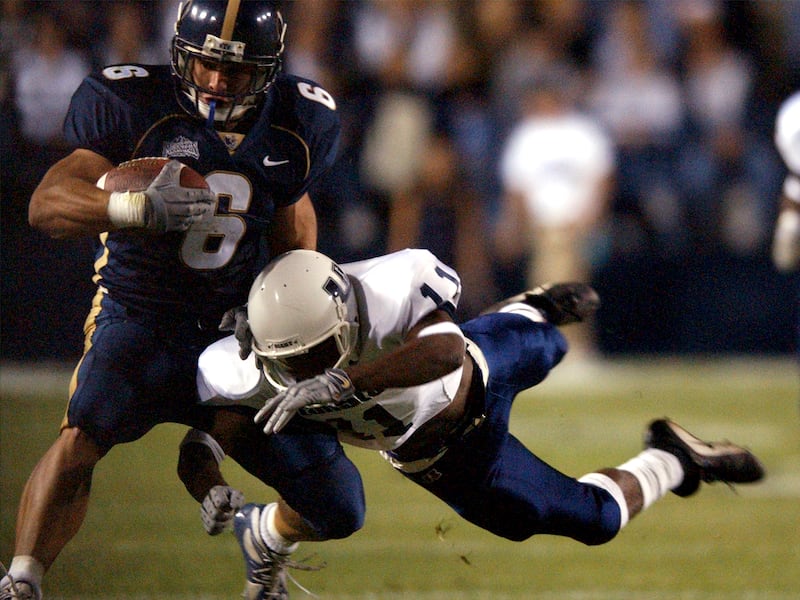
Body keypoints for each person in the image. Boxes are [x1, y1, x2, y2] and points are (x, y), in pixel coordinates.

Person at [180, 248, 765, 599]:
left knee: (552, 339)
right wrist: (209, 489)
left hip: (474, 371)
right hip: (444, 459)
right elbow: (201, 443)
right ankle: (673, 457)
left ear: (342, 312)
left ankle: (530, 307)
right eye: (293, 357)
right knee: (595, 520)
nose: (307, 367)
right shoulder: (244, 365)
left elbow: (443, 353)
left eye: (318, 349)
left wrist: (348, 381)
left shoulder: (385, 286)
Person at [0, 2, 341, 598]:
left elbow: (294, 222)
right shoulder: (132, 103)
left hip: (233, 328)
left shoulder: (296, 118)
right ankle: (22, 581)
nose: (215, 82)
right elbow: (47, 203)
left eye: (235, 71)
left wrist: (274, 305)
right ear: (182, 52)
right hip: (140, 312)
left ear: (268, 69)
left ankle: (263, 533)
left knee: (338, 501)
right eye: (207, 64)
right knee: (82, 436)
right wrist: (129, 207)